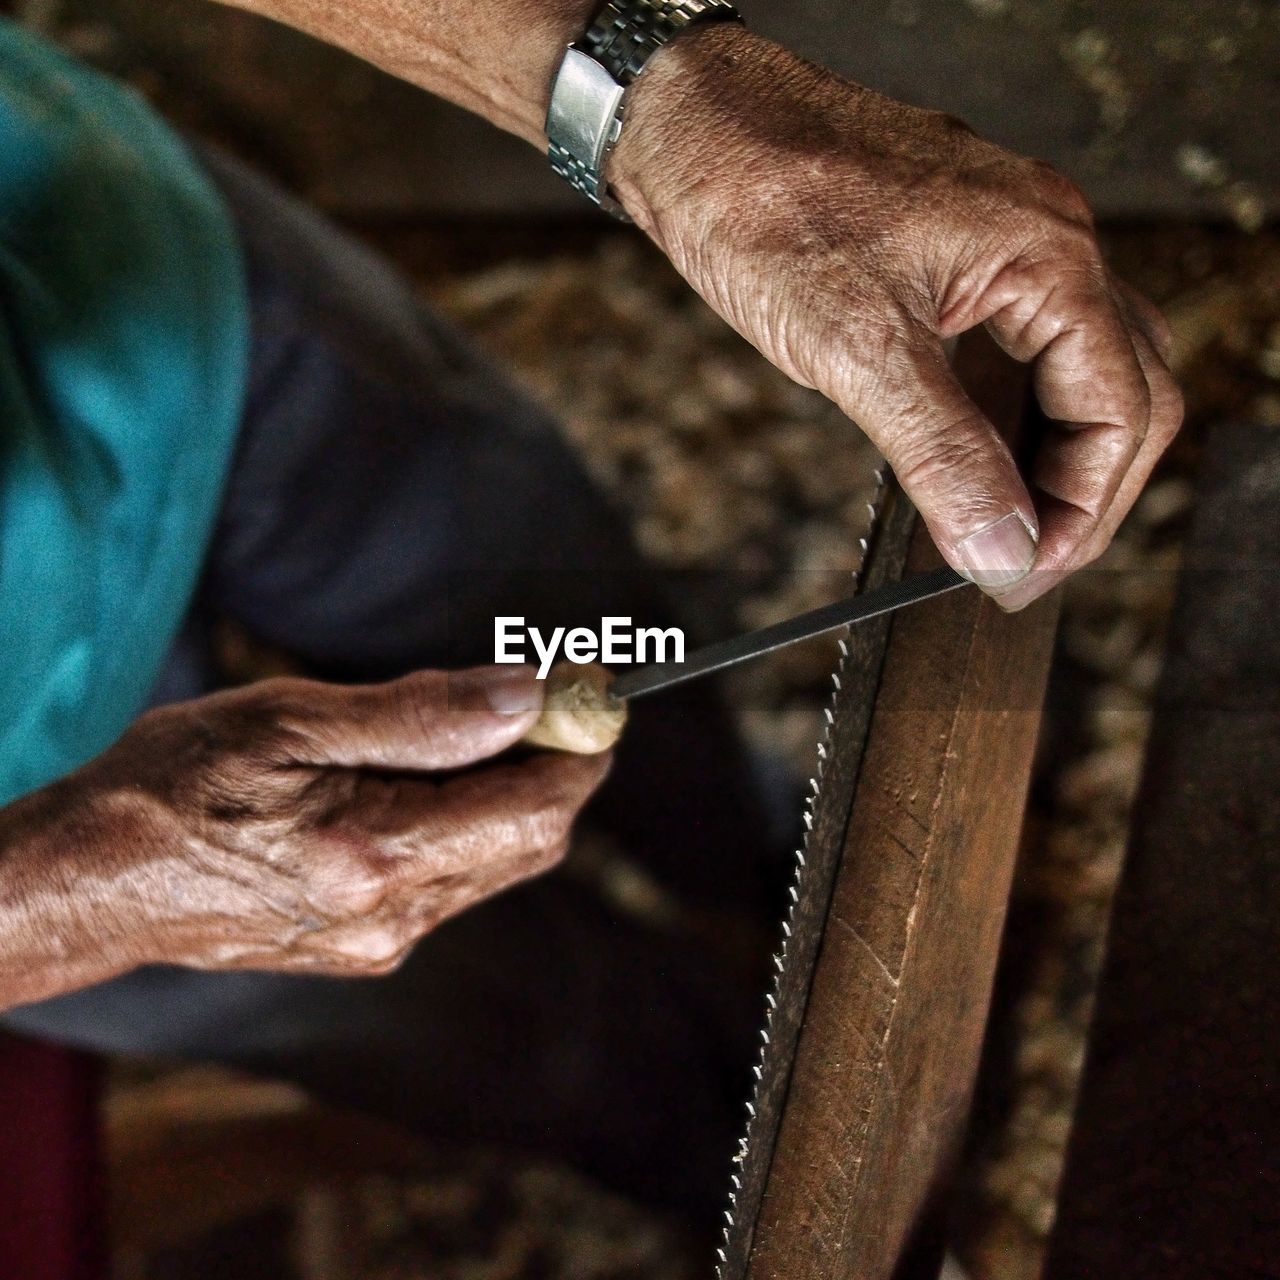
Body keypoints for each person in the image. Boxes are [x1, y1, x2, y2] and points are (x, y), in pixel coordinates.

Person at [0, 0, 1181, 1221]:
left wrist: (662, 106)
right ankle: (748, 1134)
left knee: (568, 636)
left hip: (139, 309)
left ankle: (770, 858)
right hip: (23, 830)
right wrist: (53, 893)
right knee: (496, 1023)